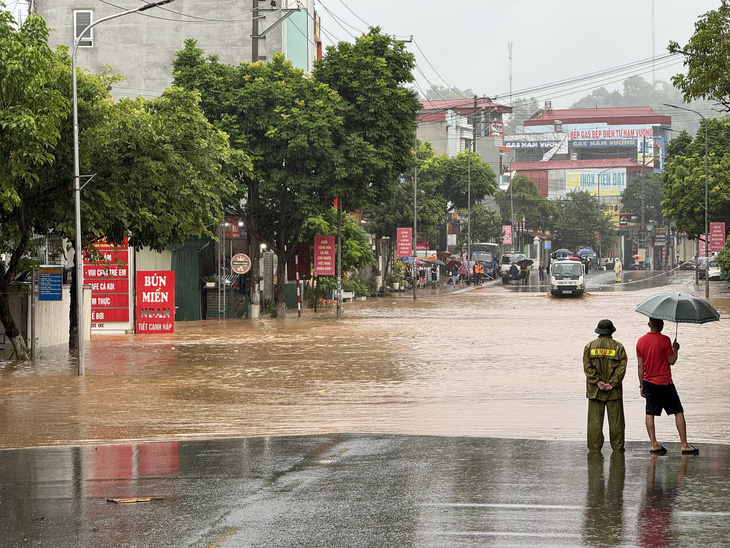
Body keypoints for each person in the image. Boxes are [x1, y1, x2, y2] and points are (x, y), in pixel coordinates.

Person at [637, 317, 698, 455]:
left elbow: (640, 365)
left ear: (648, 324)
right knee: (678, 411)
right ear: (662, 325)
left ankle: (654, 444)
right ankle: (684, 444)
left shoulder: (640, 341)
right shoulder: (665, 340)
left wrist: (641, 385)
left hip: (648, 382)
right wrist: (675, 349)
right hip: (664, 382)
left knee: (650, 412)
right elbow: (671, 360)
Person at [583, 319, 627, 452]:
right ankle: (618, 448)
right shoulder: (618, 347)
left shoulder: (589, 347)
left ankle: (594, 449)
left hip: (595, 390)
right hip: (613, 392)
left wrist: (597, 381)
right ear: (611, 331)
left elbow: (587, 367)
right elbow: (621, 368)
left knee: (594, 423)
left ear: (598, 331)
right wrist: (612, 383)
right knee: (616, 423)